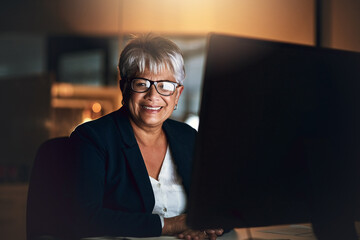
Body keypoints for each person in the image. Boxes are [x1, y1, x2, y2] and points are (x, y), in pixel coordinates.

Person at [70, 34, 223, 240]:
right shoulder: (92, 138)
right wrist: (171, 225)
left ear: (178, 94)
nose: (153, 96)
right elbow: (84, 218)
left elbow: (218, 204)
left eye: (166, 85)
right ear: (124, 87)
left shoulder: (189, 137)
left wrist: (206, 227)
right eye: (141, 84)